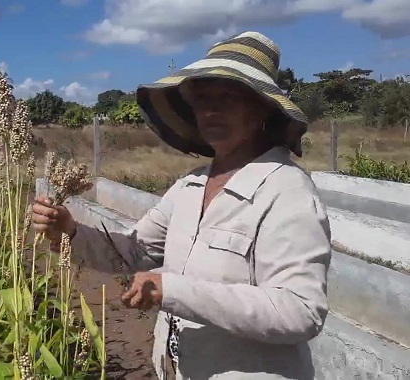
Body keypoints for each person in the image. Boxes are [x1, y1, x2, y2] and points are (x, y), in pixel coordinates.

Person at [32, 31, 331, 379]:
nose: (211, 110)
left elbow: (299, 311)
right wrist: (69, 230)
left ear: (262, 108)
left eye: (228, 97)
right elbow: (132, 251)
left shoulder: (286, 190)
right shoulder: (190, 186)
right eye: (202, 98)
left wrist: (172, 290)